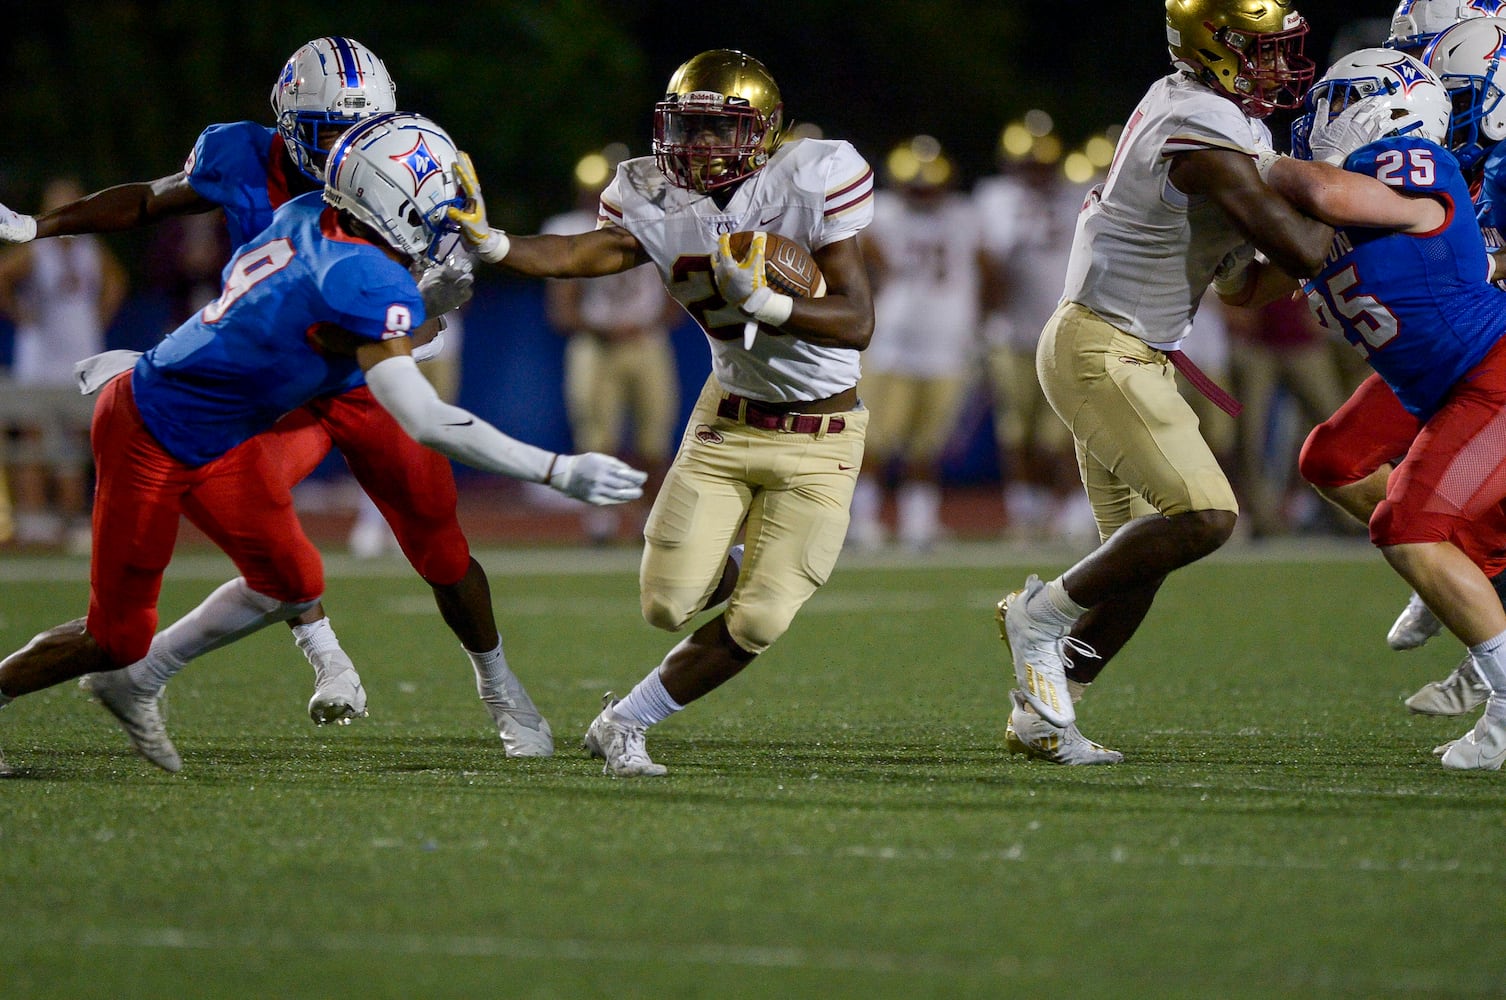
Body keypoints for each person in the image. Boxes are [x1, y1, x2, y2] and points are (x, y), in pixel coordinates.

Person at [0, 113, 646, 772]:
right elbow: (423, 416)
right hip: (154, 436)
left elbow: (309, 328)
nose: (448, 206)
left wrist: (414, 311)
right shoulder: (362, 277)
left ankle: (140, 680)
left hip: (215, 423)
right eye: (432, 193)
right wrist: (558, 470)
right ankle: (101, 674)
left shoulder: (313, 211)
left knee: (295, 579)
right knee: (114, 636)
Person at [450, 49, 876, 776]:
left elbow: (857, 319)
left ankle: (628, 720)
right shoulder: (647, 189)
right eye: (688, 126)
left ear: (765, 132)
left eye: (721, 130)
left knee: (763, 618)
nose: (701, 145)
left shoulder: (814, 175)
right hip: (729, 420)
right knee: (665, 605)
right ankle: (757, 560)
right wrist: (496, 243)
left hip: (824, 431)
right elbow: (589, 253)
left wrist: (769, 303)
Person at [994, 0, 1334, 765]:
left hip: (1125, 350)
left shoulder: (1214, 119)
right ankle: (1038, 615)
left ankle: (1045, 716)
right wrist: (1374, 207)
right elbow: (1307, 249)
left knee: (1138, 562)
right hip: (1102, 349)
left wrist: (1329, 231)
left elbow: (1246, 285)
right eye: (1262, 51)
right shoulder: (1201, 130)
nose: (1279, 68)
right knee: (1207, 516)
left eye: (1282, 51)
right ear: (1214, 48)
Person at [1265, 48, 1506, 769]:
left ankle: (1500, 697)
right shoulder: (1349, 197)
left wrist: (1255, 165)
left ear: (1381, 106)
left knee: (1406, 526)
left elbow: (1325, 194)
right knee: (1331, 459)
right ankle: (1445, 570)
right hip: (1434, 383)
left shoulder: (1406, 161)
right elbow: (1245, 291)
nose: (1316, 118)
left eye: (1335, 102)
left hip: (1485, 373)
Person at [541, 146, 682, 546]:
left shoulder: (658, 223)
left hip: (646, 341)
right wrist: (605, 328)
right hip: (595, 343)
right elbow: (561, 309)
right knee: (595, 439)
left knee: (654, 441)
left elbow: (678, 291)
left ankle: (648, 520)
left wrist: (647, 323)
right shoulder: (569, 228)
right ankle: (600, 522)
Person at [850, 136, 982, 551]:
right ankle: (864, 520)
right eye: (914, 183)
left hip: (947, 345)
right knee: (873, 440)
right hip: (891, 344)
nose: (922, 190)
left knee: (929, 444)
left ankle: (918, 520)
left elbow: (989, 271)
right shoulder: (881, 213)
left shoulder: (964, 215)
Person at [973, 124, 1094, 542]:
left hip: (1066, 329)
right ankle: (1027, 507)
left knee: (1063, 430)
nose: (1035, 173)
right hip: (1012, 332)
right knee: (1016, 430)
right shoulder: (994, 200)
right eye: (1027, 164)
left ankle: (1069, 506)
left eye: (1041, 164)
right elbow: (986, 265)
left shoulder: (1078, 192)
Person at [0, 177, 128, 551]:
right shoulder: (35, 249)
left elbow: (116, 283)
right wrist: (20, 314)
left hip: (79, 353)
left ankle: (71, 519)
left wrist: (97, 318)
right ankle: (35, 518)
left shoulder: (92, 248)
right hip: (39, 355)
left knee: (76, 438)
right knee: (34, 433)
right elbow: (3, 278)